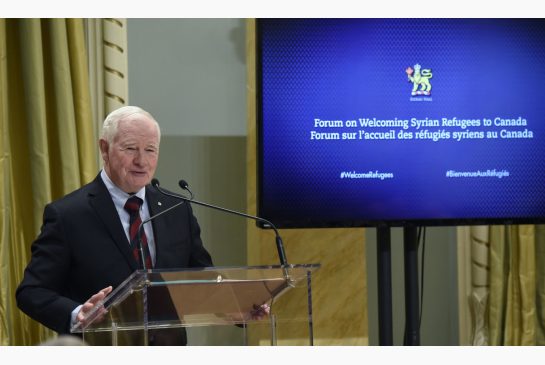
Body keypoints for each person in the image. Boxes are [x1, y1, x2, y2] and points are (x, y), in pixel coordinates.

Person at [16, 105, 214, 345]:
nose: (142, 160)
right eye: (130, 148)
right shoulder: (68, 214)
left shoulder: (176, 209)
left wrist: (244, 304)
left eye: (150, 150)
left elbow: (203, 280)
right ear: (104, 149)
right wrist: (77, 313)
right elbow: (32, 292)